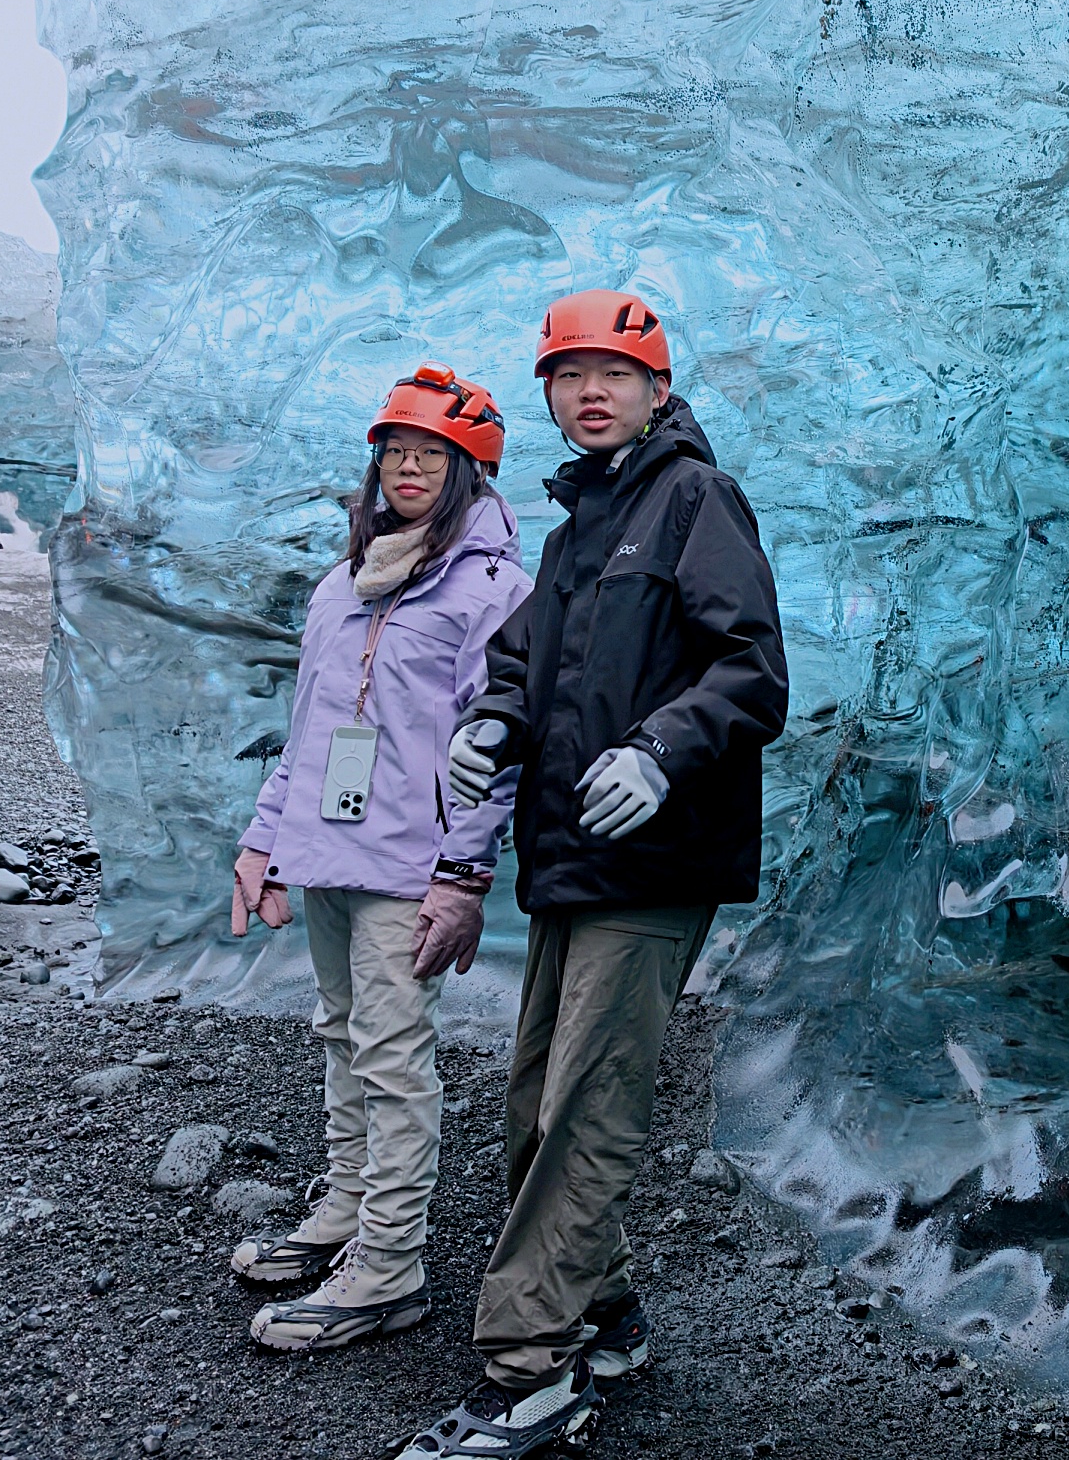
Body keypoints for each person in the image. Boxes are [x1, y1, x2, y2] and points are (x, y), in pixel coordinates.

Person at [400, 290, 787, 1459]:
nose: (591, 391)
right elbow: (528, 665)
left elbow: (752, 670)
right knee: (539, 1101)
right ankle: (606, 1313)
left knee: (587, 1107)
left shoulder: (694, 499)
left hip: (655, 858)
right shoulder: (579, 527)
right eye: (569, 374)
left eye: (614, 372)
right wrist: (495, 721)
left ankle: (532, 1369)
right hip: (571, 854)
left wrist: (662, 749)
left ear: (657, 390)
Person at [229, 365, 533, 1353]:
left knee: (394, 1057)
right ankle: (347, 1210)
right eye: (395, 451)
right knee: (340, 1032)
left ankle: (390, 1264)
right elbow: (311, 728)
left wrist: (464, 874)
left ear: (469, 469)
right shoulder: (343, 582)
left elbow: (498, 747)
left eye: (430, 454)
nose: (407, 467)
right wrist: (265, 840)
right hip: (330, 849)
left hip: (411, 864)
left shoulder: (491, 590)